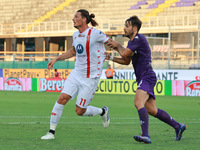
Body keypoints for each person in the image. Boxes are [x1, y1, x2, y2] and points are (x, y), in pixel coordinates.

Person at [106, 15, 186, 144]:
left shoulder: (139, 38)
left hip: (146, 76)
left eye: (127, 26)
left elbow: (125, 53)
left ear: (135, 28)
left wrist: (117, 45)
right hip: (144, 76)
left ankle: (146, 135)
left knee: (138, 102)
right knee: (152, 110)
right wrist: (110, 58)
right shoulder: (132, 42)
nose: (124, 28)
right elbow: (126, 61)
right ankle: (178, 126)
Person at [41, 9, 110, 140]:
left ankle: (102, 111)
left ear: (84, 19)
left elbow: (112, 42)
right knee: (62, 99)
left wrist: (122, 53)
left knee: (79, 111)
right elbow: (73, 52)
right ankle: (51, 132)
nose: (73, 19)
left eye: (76, 16)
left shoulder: (95, 34)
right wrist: (56, 59)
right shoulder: (76, 35)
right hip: (76, 74)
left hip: (90, 79)